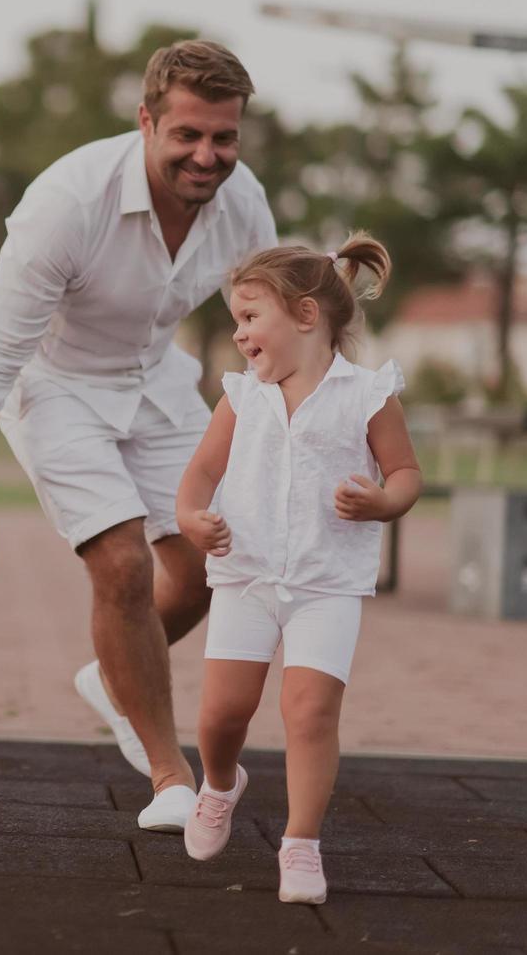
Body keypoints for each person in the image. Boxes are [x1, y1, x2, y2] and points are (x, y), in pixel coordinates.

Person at [0, 40, 277, 832]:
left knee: (208, 562)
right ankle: (168, 776)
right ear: (146, 120)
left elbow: (266, 315)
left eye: (223, 138)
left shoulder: (243, 200)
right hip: (53, 384)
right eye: (187, 135)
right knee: (122, 562)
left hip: (155, 379)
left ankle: (112, 675)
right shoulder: (68, 202)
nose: (207, 155)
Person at [174, 233, 422, 904]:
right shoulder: (241, 398)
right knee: (222, 713)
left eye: (251, 317)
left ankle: (301, 843)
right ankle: (220, 784)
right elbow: (199, 475)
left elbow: (404, 474)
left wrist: (381, 501)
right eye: (236, 320)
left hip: (326, 583)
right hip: (247, 577)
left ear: (306, 317)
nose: (239, 333)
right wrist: (194, 518)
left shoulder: (368, 395)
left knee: (309, 711)